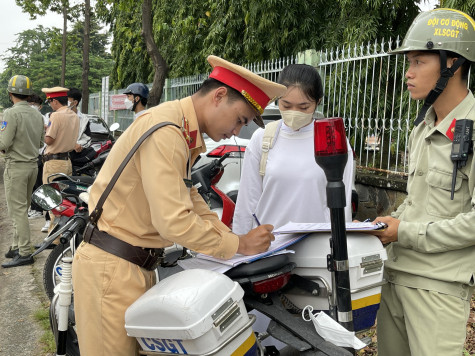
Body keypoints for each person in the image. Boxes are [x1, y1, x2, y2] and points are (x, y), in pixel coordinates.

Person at [72, 55, 286, 355]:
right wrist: (238, 244)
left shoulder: (180, 129)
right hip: (112, 269)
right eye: (240, 119)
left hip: (127, 266)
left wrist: (232, 240)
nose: (237, 131)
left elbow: (189, 197)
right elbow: (173, 220)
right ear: (219, 96)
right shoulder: (167, 131)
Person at [372, 9, 475, 356]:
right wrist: (384, 225)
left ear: (453, 64)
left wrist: (404, 231)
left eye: (418, 62)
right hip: (396, 274)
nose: (408, 73)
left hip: (439, 287)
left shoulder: (472, 130)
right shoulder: (424, 126)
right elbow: (416, 202)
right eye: (409, 62)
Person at [233, 64, 354, 235]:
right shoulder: (262, 139)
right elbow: (246, 203)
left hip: (317, 248)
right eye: (286, 105)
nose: (294, 113)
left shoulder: (332, 141)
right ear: (277, 100)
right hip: (269, 248)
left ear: (317, 102)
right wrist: (241, 246)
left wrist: (342, 248)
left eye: (304, 107)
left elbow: (344, 205)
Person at [0, 75, 45, 268]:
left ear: (10, 93)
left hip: (16, 167)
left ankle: (25, 252)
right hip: (32, 166)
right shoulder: (37, 114)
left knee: (17, 211)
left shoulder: (10, 113)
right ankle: (17, 245)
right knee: (23, 208)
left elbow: (4, 143)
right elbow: (42, 142)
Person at [41, 87, 79, 184]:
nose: (50, 105)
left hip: (54, 163)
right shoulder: (74, 115)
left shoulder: (56, 115)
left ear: (55, 101)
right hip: (67, 162)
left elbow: (49, 140)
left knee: (51, 195)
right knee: (63, 195)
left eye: (49, 102)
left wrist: (42, 132)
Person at [67, 87, 92, 152]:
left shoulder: (84, 120)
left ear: (75, 102)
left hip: (75, 155)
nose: (64, 103)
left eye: (67, 100)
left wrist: (78, 145)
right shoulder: (57, 116)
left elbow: (87, 138)